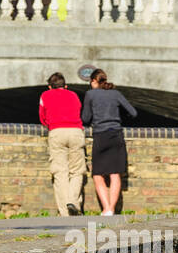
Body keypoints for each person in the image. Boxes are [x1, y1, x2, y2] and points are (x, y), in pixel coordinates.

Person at [81, 69, 137, 215]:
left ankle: (107, 208)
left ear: (93, 81)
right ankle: (111, 208)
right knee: (115, 173)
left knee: (98, 173)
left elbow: (85, 118)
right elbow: (133, 112)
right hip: (117, 135)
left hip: (100, 135)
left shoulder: (90, 94)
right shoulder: (115, 93)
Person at [39, 72, 86, 215]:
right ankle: (73, 201)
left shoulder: (45, 95)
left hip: (56, 132)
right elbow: (79, 111)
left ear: (49, 86)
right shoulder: (73, 95)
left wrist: (51, 124)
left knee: (60, 172)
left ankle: (65, 211)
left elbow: (42, 117)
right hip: (76, 132)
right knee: (77, 170)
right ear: (65, 86)